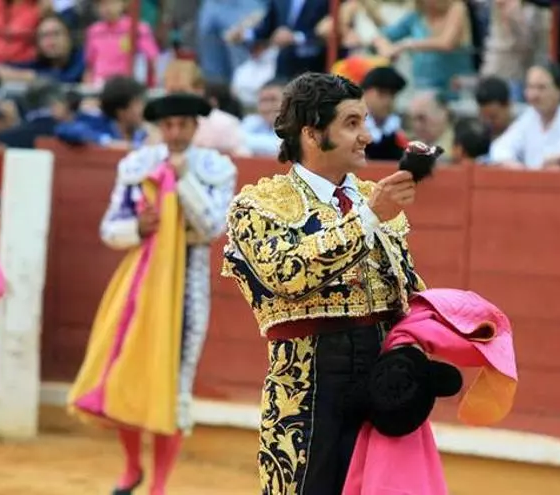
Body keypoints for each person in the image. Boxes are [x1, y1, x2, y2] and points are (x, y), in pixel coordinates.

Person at [221, 72, 429, 494]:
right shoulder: (258, 205)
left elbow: (407, 291)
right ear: (312, 133)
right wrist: (368, 218)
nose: (366, 136)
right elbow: (287, 274)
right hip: (305, 383)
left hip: (381, 376)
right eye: (351, 123)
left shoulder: (375, 199)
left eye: (365, 122)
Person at [67, 92, 237, 495]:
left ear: (195, 127)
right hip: (140, 282)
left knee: (174, 386)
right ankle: (131, 468)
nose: (175, 133)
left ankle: (158, 486)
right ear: (160, 128)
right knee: (127, 371)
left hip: (188, 286)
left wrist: (184, 180)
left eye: (183, 125)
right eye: (168, 125)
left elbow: (213, 227)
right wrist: (137, 228)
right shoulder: (136, 166)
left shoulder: (216, 168)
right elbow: (110, 229)